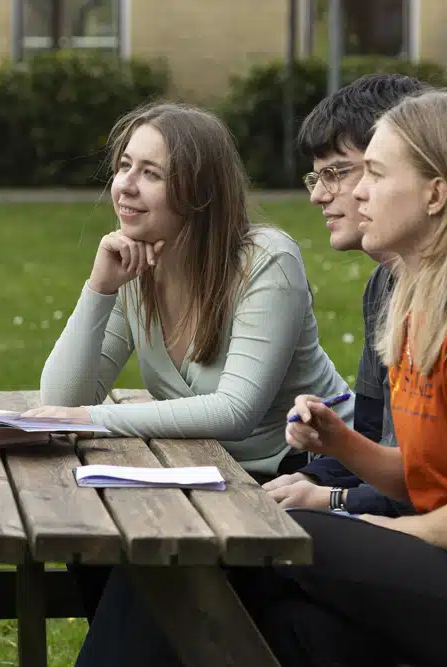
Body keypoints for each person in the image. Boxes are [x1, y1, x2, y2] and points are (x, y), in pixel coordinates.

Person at [75, 89, 447, 667]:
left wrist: (349, 521)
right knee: (282, 625)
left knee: (259, 534)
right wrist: (342, 443)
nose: (357, 191)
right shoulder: (419, 314)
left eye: (374, 174)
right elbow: (426, 478)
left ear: (436, 194)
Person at [25, 101, 353, 622]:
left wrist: (89, 419)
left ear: (199, 193)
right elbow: (61, 398)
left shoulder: (265, 261)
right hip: (205, 474)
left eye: (150, 173)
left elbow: (234, 410)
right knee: (90, 536)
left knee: (143, 572)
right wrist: (100, 289)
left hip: (300, 478)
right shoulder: (137, 262)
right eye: (124, 166)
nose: (126, 185)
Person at [261, 73, 426, 517]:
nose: (318, 194)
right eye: (314, 176)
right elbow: (373, 432)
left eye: (337, 172)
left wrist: (331, 498)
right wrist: (315, 475)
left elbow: (446, 491)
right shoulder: (385, 284)